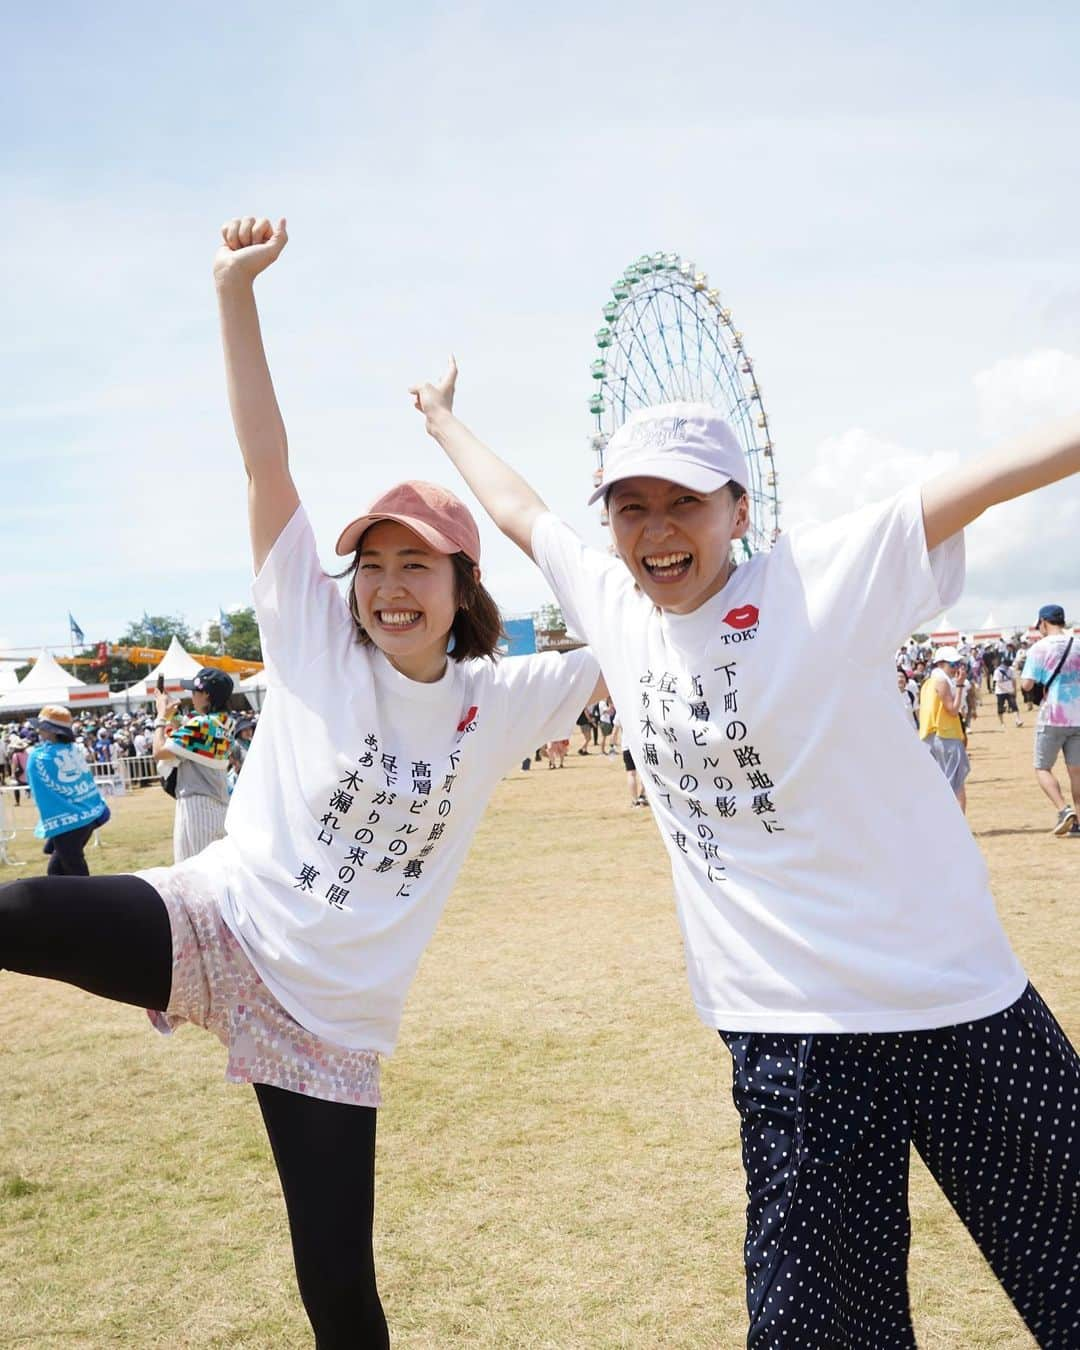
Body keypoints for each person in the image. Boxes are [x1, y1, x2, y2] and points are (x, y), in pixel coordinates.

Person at [0, 216, 600, 1348]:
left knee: (338, 1288)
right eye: (370, 564)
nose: (385, 587)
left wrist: (449, 425)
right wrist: (234, 293)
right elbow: (265, 459)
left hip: (334, 1023)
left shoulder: (500, 700)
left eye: (413, 564)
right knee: (26, 910)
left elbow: (623, 610)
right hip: (220, 923)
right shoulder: (312, 637)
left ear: (461, 581)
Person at [412, 357, 1080, 1347]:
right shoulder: (612, 605)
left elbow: (991, 474)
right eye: (630, 506)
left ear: (738, 506)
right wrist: (441, 422)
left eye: (684, 501)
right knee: (820, 1329)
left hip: (957, 998)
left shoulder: (820, 579)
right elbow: (518, 512)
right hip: (790, 1034)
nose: (656, 529)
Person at [25, 705, 110, 876]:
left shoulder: (40, 756)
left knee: (74, 867)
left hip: (68, 824)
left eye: (42, 728)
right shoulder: (74, 750)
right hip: (88, 816)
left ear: (53, 731)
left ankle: (92, 900)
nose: (39, 731)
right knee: (56, 871)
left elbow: (37, 782)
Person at [1020, 603, 1080, 837]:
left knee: (1042, 767)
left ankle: (1063, 810)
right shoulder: (1077, 643)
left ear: (1043, 622)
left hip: (1053, 715)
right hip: (1078, 714)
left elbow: (1026, 684)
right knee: (1076, 771)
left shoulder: (1039, 648)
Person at [918, 646, 970, 811]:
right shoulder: (942, 681)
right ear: (941, 664)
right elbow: (953, 709)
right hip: (946, 735)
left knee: (940, 784)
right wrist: (960, 686)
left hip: (930, 736)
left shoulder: (927, 683)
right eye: (952, 664)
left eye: (958, 664)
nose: (956, 668)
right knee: (956, 785)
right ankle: (959, 825)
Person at [992, 656, 1024, 728]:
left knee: (1014, 705)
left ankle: (1018, 720)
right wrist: (1008, 690)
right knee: (1000, 707)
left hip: (1010, 691)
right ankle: (1002, 723)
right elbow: (998, 683)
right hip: (1000, 692)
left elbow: (1013, 680)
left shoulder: (1011, 670)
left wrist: (1014, 690)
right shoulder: (997, 671)